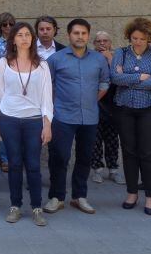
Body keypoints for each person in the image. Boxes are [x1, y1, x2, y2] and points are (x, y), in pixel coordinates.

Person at [44, 19, 110, 216]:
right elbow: (47, 86)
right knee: (60, 157)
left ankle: (79, 196)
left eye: (83, 33)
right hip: (63, 116)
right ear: (69, 35)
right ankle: (56, 197)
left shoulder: (98, 60)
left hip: (89, 117)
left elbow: (105, 82)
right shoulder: (56, 59)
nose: (80, 37)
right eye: (76, 33)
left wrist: (91, 99)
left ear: (88, 36)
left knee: (84, 157)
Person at [0, 22, 53, 226]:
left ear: (32, 39)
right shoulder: (3, 63)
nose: (24, 38)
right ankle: (15, 206)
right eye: (20, 35)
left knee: (34, 165)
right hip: (9, 119)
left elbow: (47, 98)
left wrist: (47, 124)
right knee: (14, 164)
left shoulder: (42, 65)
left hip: (34, 120)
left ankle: (36, 207)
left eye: (27, 34)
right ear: (13, 39)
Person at [110, 17, 151, 216]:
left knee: (149, 152)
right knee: (129, 151)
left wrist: (126, 78)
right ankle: (132, 192)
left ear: (150, 38)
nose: (138, 42)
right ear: (129, 36)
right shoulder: (120, 53)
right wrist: (140, 76)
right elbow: (114, 78)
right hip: (124, 108)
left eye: (143, 38)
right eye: (134, 38)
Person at [90, 31, 125, 184]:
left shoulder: (118, 58)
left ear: (110, 43)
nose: (102, 44)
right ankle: (97, 170)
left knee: (112, 140)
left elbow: (121, 78)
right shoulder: (89, 57)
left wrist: (110, 59)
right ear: (94, 44)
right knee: (95, 140)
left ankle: (113, 170)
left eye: (105, 41)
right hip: (94, 103)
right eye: (98, 41)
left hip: (113, 104)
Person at [0, 12, 16, 172]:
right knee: (2, 124)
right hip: (1, 87)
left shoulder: (20, 41)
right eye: (4, 24)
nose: (8, 27)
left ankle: (16, 157)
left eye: (11, 24)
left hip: (17, 87)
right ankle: (5, 159)